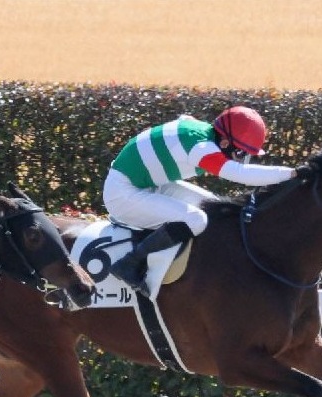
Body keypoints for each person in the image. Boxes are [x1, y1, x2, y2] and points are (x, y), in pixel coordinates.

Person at [104, 106, 297, 295]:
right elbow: (241, 174)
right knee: (196, 220)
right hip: (122, 194)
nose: (242, 159)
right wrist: (292, 173)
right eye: (241, 153)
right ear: (224, 143)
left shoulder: (204, 132)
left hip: (148, 183)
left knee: (215, 208)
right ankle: (129, 263)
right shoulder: (201, 148)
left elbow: (184, 119)